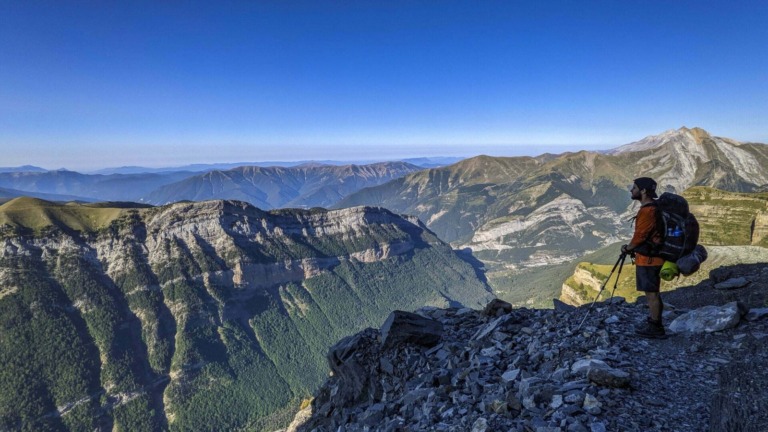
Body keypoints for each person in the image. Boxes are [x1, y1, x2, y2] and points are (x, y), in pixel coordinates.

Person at [621, 177, 666, 338]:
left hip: (649, 260)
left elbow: (640, 236)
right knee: (653, 292)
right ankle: (655, 321)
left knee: (651, 294)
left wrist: (628, 248)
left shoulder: (647, 211)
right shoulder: (655, 208)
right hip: (654, 258)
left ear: (644, 191)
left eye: (634, 188)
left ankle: (656, 327)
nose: (631, 190)